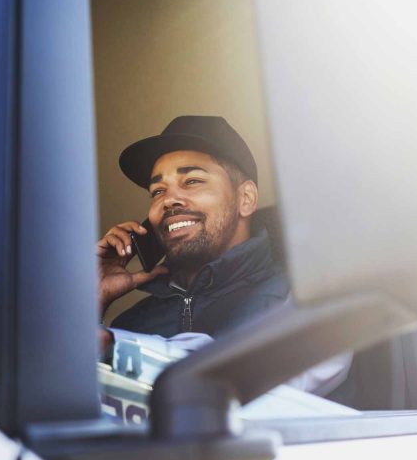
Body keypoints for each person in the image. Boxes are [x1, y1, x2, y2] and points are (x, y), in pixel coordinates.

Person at [97, 115, 351, 395]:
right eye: (157, 191)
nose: (168, 200)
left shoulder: (305, 296)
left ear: (246, 199)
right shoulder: (129, 324)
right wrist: (92, 303)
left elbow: (261, 388)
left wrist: (115, 348)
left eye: (192, 180)